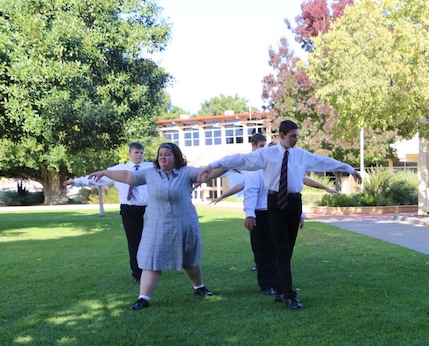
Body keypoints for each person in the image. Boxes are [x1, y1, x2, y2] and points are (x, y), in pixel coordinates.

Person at [198, 119, 362, 310]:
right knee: (282, 249)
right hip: (275, 203)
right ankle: (289, 295)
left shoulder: (300, 155)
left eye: (297, 136)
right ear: (282, 136)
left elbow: (323, 161)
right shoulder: (267, 154)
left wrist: (349, 169)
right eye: (292, 136)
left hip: (294, 202)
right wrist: (212, 165)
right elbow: (240, 159)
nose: (296, 140)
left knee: (288, 250)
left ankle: (279, 288)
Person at [85, 142, 214, 311]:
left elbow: (206, 174)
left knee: (189, 259)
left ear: (176, 157)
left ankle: (199, 287)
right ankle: (143, 298)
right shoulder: (150, 173)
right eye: (160, 154)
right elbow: (127, 176)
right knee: (151, 260)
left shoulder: (186, 172)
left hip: (184, 223)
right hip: (156, 224)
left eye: (167, 154)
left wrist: (224, 165)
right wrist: (104, 173)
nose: (163, 157)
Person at [209, 134, 337, 297]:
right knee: (263, 251)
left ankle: (279, 284)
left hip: (279, 213)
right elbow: (249, 190)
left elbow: (294, 190)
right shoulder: (255, 172)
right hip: (260, 215)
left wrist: (300, 215)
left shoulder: (284, 170)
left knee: (280, 250)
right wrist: (249, 214)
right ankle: (266, 285)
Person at [64, 142, 152, 283]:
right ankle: (138, 274)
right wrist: (76, 181)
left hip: (149, 209)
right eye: (136, 152)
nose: (139, 155)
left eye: (142, 152)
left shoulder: (151, 168)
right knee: (134, 242)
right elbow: (97, 178)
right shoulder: (118, 170)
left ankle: (151, 271)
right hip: (129, 210)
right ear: (129, 154)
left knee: (150, 242)